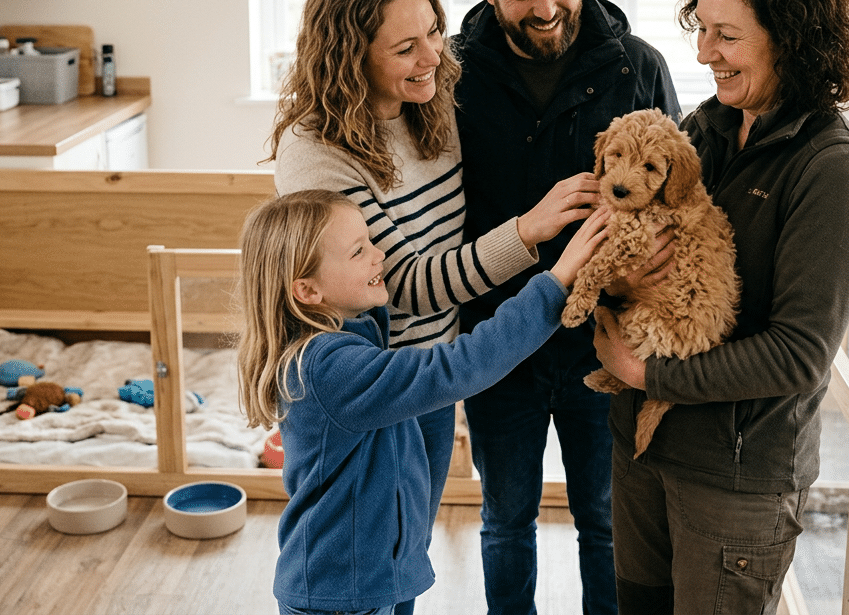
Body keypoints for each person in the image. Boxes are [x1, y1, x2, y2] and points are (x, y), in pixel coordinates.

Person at [268, 0, 600, 615]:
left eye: (433, 31)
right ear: (350, 55)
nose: (432, 57)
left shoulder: (432, 102)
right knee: (362, 555)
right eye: (405, 47)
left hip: (432, 373)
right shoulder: (315, 152)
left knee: (405, 555)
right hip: (381, 379)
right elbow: (406, 285)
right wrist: (532, 235)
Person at [591, 0, 849, 614]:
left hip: (733, 480)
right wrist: (618, 285)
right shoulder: (705, 130)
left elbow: (799, 355)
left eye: (725, 34)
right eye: (700, 29)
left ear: (788, 36)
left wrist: (647, 373)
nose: (703, 53)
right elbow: (637, 242)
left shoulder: (832, 170)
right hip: (642, 447)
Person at [451, 0, 678, 615]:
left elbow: (678, 200)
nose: (546, 8)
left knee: (606, 526)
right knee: (505, 522)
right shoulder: (451, 78)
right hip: (498, 342)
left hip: (603, 346)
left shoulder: (636, 66)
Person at [235, 189, 610, 615]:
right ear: (307, 290)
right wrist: (556, 281)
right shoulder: (332, 368)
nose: (380, 256)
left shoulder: (351, 342)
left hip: (371, 583)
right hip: (343, 597)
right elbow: (461, 366)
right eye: (359, 251)